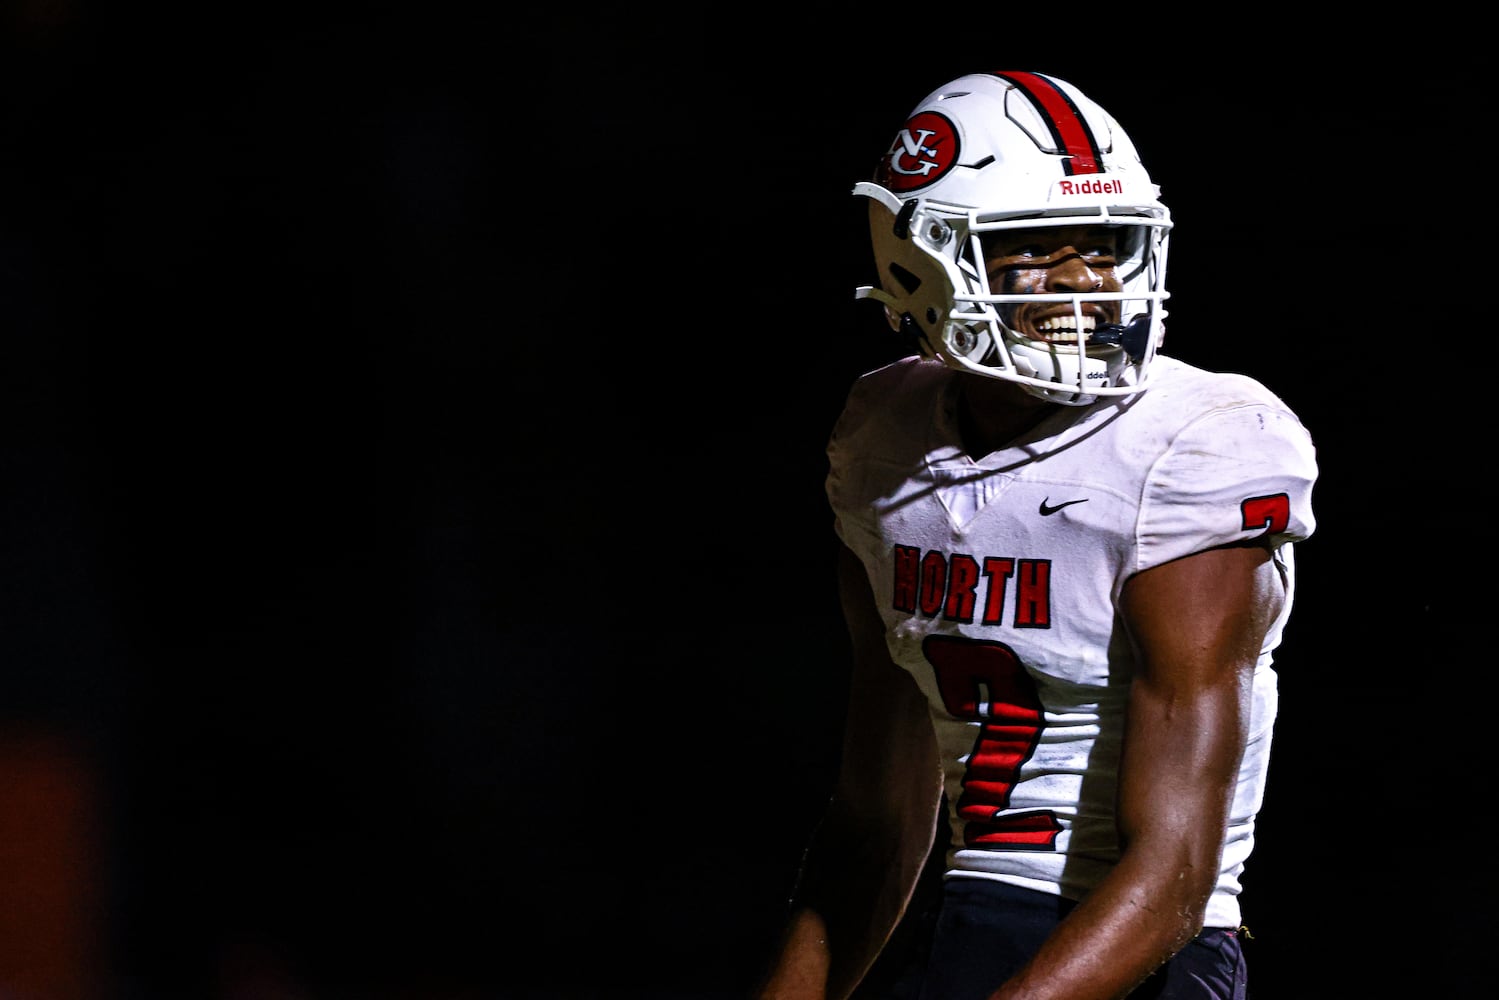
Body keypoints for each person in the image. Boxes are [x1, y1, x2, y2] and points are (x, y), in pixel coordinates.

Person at [754, 71, 1317, 1000]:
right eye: (1030, 249)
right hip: (965, 923)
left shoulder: (1196, 444)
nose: (1082, 282)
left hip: (1142, 953)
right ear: (915, 260)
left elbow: (1176, 874)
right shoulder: (882, 440)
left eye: (1101, 247)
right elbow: (877, 819)